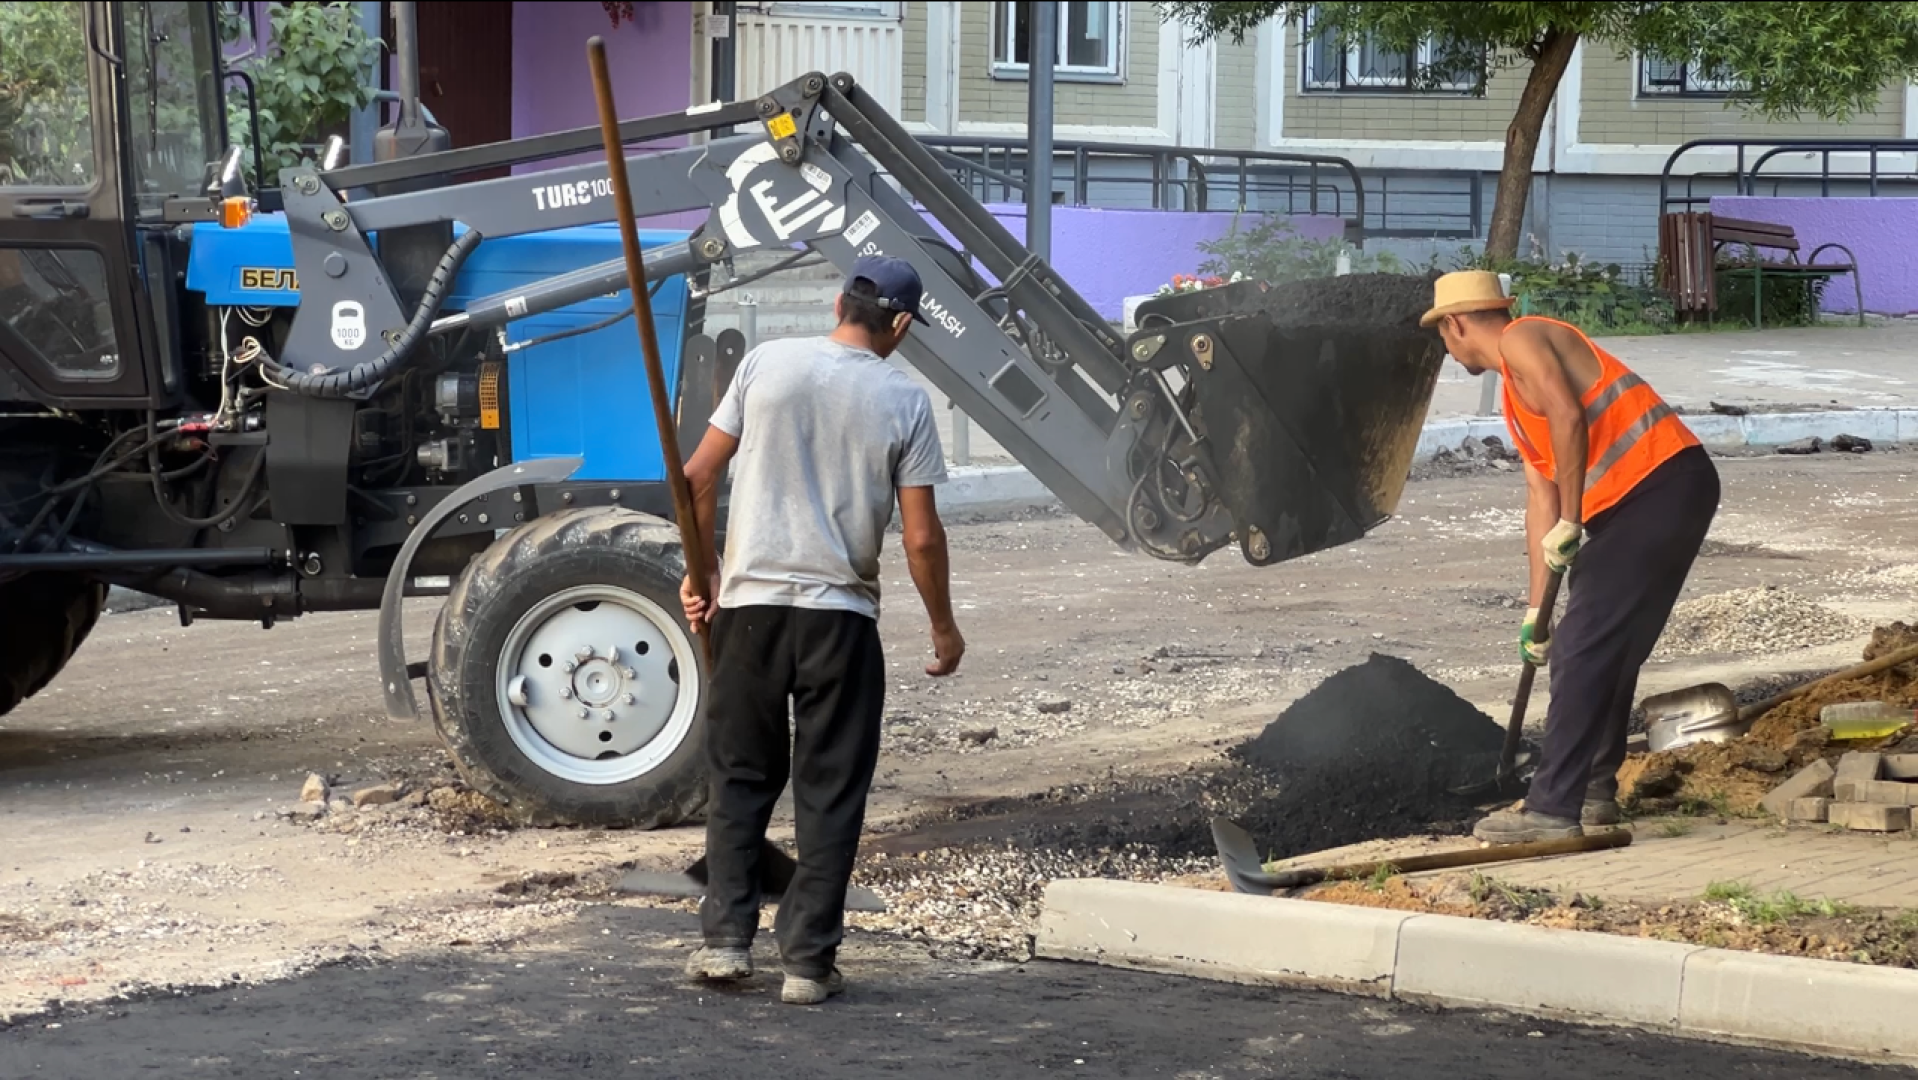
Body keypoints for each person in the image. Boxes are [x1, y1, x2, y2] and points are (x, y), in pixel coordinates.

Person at [677, 254, 966, 1004]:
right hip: (839, 618)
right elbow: (922, 537)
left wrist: (704, 571)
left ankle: (727, 945)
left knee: (739, 776)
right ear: (900, 325)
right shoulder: (904, 398)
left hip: (748, 612)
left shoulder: (767, 364)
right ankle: (807, 964)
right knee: (830, 789)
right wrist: (943, 629)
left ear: (839, 302)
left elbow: (696, 477)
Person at [1422, 270, 1721, 844]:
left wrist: (1573, 518)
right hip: (1660, 496)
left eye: (1443, 335)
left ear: (1456, 324)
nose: (1447, 347)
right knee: (1606, 647)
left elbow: (1567, 415)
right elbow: (1541, 499)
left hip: (1660, 486)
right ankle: (1591, 790)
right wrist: (1537, 613)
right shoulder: (1514, 395)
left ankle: (1552, 811)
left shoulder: (1523, 336)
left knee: (1586, 645)